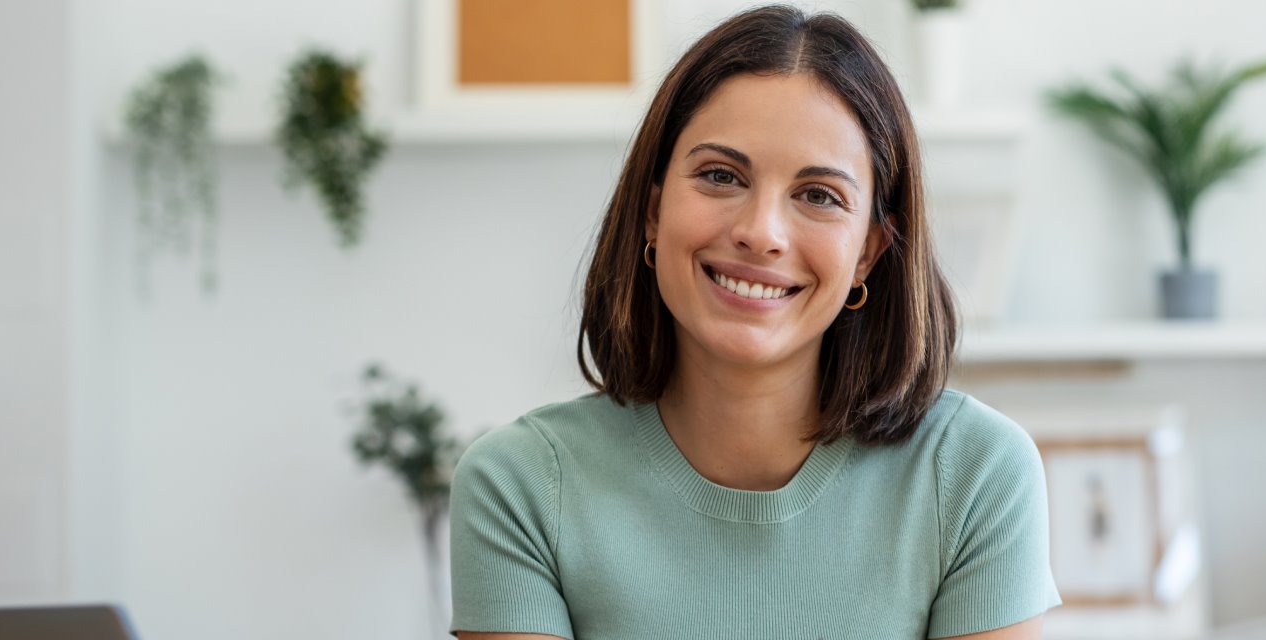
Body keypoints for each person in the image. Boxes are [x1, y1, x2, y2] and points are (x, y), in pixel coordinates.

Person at [448, 5, 1058, 639]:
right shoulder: (520, 486)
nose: (760, 233)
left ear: (868, 253)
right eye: (719, 176)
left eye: (818, 195)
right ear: (653, 214)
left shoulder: (974, 474)